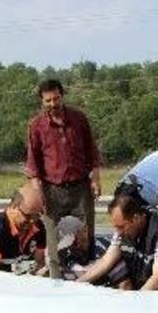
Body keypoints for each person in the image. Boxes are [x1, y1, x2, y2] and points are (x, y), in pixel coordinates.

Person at [24, 79, 103, 279]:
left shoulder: (79, 118)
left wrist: (96, 179)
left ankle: (88, 273)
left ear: (62, 95)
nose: (53, 104)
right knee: (52, 237)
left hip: (80, 187)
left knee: (85, 234)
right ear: (42, 101)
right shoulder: (36, 126)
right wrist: (37, 193)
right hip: (52, 189)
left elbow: (92, 151)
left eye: (56, 98)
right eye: (48, 100)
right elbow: (33, 163)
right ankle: (55, 277)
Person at [78, 192, 158, 294]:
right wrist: (77, 284)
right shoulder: (124, 230)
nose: (117, 232)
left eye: (121, 226)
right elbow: (106, 261)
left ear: (136, 218)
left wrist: (136, 303)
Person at [55, 215, 129, 287]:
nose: (70, 247)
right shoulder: (68, 254)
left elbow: (125, 285)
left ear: (85, 231)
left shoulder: (105, 250)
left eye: (73, 240)